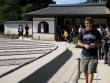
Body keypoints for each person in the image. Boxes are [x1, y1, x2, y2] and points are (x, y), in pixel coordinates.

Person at [77, 17, 102, 83]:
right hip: (84, 55)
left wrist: (95, 45)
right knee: (85, 72)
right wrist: (84, 45)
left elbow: (100, 42)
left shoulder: (96, 32)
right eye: (87, 23)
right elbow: (78, 43)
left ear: (92, 23)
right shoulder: (82, 31)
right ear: (85, 23)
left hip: (93, 56)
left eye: (90, 23)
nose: (88, 25)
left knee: (90, 72)